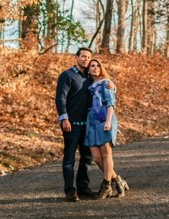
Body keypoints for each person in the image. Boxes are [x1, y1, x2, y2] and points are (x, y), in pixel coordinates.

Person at [55, 47, 102, 202]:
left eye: (88, 57)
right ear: (76, 58)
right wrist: (64, 118)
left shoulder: (90, 77)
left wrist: (111, 86)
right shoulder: (67, 75)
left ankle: (83, 187)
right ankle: (70, 190)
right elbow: (60, 98)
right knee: (69, 159)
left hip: (87, 125)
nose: (85, 59)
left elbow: (104, 85)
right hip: (72, 124)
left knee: (87, 157)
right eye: (83, 56)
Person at [84, 58, 129, 198]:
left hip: (104, 121)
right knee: (96, 158)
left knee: (106, 155)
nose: (95, 68)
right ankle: (118, 180)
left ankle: (106, 186)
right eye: (92, 66)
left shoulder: (105, 83)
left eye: (98, 65)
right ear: (88, 69)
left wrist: (108, 121)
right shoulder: (89, 85)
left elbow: (110, 104)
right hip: (92, 123)